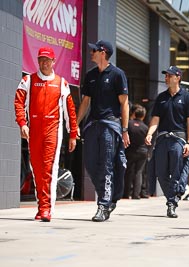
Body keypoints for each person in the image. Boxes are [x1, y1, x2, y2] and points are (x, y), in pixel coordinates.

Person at [14, 47, 78, 222]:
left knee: (49, 168)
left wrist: (72, 134)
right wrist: (22, 123)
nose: (44, 63)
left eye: (47, 60)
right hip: (33, 130)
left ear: (53, 61)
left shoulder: (62, 83)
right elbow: (18, 102)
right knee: (36, 169)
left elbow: (70, 111)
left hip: (53, 131)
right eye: (41, 59)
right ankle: (41, 205)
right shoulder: (28, 80)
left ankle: (46, 208)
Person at [76, 40, 130, 222]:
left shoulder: (117, 75)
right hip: (92, 126)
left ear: (103, 52)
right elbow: (85, 102)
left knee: (107, 165)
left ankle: (103, 204)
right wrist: (76, 124)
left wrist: (124, 130)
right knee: (91, 165)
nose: (91, 52)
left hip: (110, 125)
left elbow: (124, 104)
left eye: (94, 50)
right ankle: (108, 198)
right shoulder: (90, 75)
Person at [145, 66, 189, 218]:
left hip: (178, 140)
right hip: (162, 138)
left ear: (178, 77)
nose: (166, 78)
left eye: (169, 75)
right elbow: (155, 119)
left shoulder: (186, 97)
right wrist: (149, 133)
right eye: (166, 75)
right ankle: (174, 197)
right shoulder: (161, 97)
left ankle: (171, 203)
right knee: (160, 173)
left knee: (175, 172)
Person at [124, 103, 148, 199]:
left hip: (130, 151)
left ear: (134, 114)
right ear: (143, 116)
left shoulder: (129, 124)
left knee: (128, 171)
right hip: (142, 151)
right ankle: (136, 194)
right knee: (139, 172)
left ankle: (126, 193)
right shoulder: (145, 127)